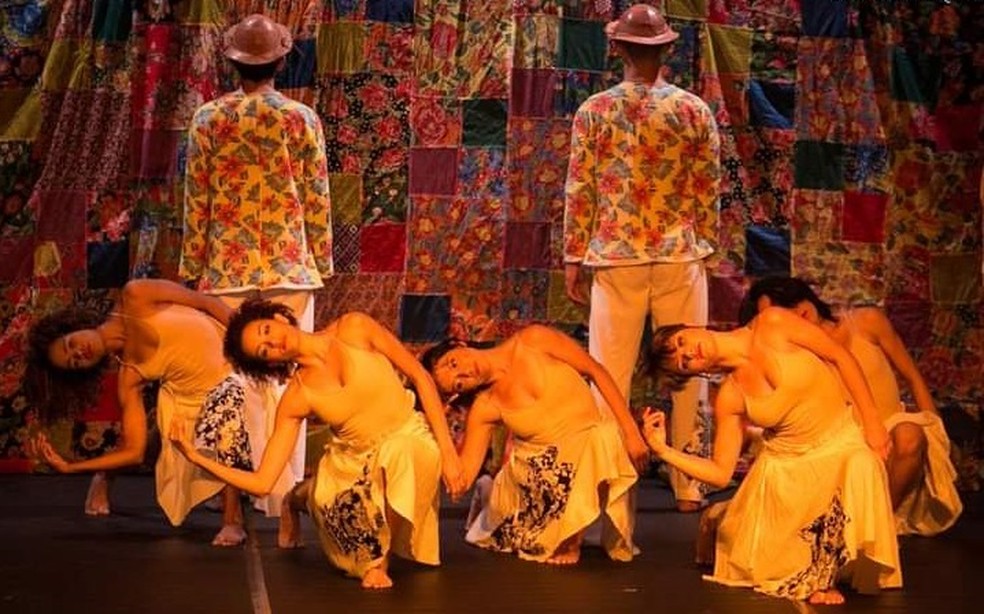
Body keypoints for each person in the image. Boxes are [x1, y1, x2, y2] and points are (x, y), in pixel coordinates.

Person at [169, 299, 465, 589]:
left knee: (402, 454)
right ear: (270, 363)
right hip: (354, 464)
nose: (274, 344)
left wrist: (450, 453)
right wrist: (196, 456)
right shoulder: (297, 396)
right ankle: (299, 498)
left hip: (410, 435)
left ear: (279, 318)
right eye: (264, 350)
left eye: (266, 331)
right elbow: (262, 482)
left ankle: (378, 563)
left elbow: (420, 376)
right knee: (349, 546)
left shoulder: (355, 327)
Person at [563, 3, 721, 512]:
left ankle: (608, 480)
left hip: (617, 256)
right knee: (686, 370)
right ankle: (689, 485)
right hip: (677, 254)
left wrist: (573, 255)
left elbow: (581, 188)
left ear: (618, 48)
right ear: (668, 49)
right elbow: (707, 189)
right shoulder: (694, 109)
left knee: (609, 371)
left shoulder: (596, 110)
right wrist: (708, 247)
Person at [180, 13, 334, 517]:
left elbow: (197, 199)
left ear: (231, 63)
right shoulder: (300, 118)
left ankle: (234, 498)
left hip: (227, 268)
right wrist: (322, 261)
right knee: (289, 378)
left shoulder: (208, 118)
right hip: (290, 267)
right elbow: (316, 196)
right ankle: (281, 496)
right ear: (280, 60)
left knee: (235, 380)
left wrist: (192, 265)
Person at [641, 308, 900, 604]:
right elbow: (721, 472)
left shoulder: (772, 323)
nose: (689, 352)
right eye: (684, 362)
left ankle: (732, 518)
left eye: (682, 341)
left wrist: (872, 422)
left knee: (861, 466)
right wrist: (663, 451)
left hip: (840, 442)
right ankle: (726, 517)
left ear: (691, 326)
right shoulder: (730, 396)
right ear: (694, 373)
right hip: (788, 470)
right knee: (785, 564)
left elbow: (839, 356)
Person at [26, 279, 252, 546]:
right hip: (200, 398)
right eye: (74, 362)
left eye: (70, 344)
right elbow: (134, 451)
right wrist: (70, 467)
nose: (79, 352)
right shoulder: (129, 377)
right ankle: (231, 520)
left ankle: (106, 478)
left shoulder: (136, 295)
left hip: (238, 356)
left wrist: (248, 338)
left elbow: (206, 302)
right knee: (218, 419)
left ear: (75, 327)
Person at [739, 276, 963, 535]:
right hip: (846, 446)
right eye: (779, 313)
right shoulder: (796, 358)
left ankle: (876, 529)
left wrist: (939, 435)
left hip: (893, 437)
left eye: (790, 299)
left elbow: (912, 376)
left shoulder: (866, 321)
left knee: (909, 435)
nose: (794, 311)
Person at [421, 325, 649, 565]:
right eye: (458, 384)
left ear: (459, 345)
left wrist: (632, 433)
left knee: (603, 436)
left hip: (587, 455)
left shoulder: (533, 340)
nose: (465, 373)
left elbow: (596, 370)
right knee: (516, 533)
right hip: (538, 478)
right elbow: (461, 478)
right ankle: (491, 492)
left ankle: (571, 537)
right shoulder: (485, 406)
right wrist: (438, 430)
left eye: (453, 363)